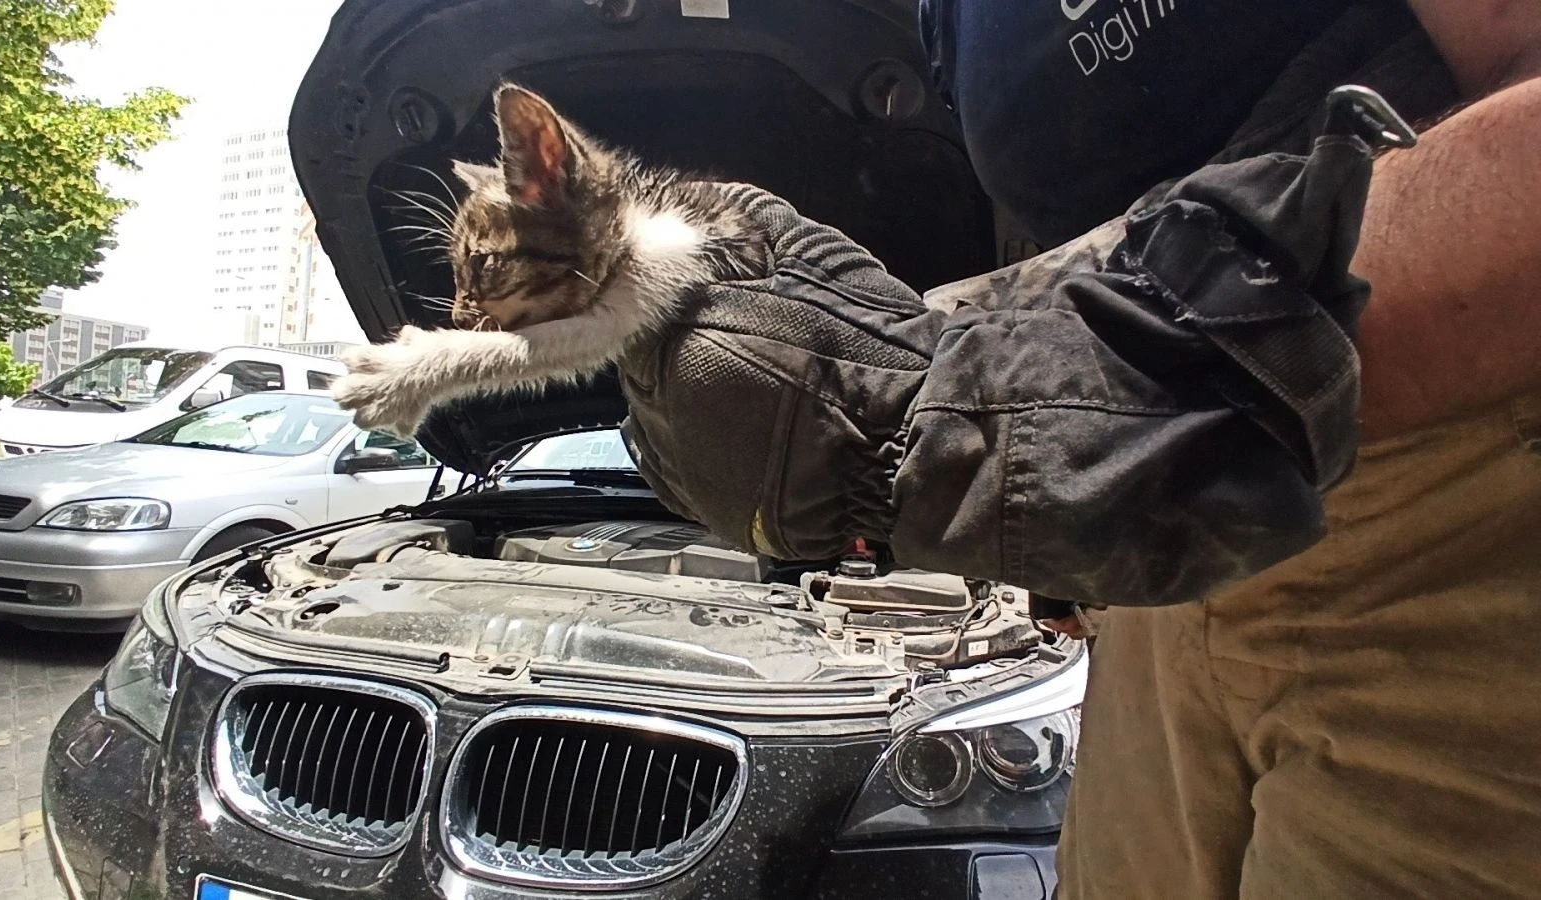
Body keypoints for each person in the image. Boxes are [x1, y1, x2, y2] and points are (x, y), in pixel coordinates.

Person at [616, 1, 1541, 897]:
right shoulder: (958, 24)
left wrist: (1049, 406)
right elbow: (1115, 230)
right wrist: (1067, 512)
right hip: (1177, 559)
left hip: (1449, 507)